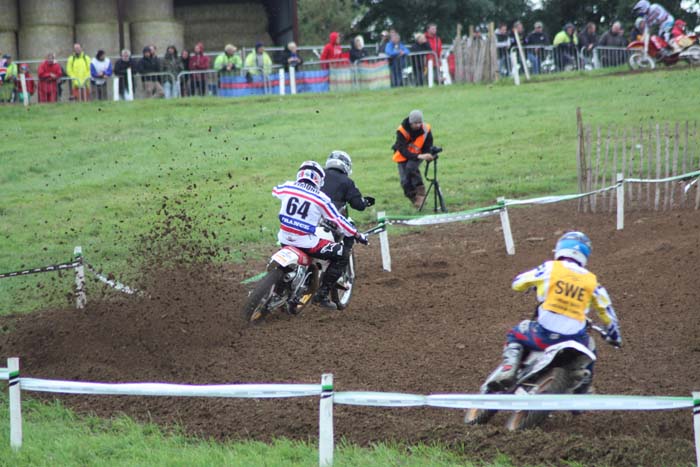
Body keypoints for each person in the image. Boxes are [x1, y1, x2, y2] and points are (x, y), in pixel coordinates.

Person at [482, 231, 622, 394]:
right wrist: (615, 337)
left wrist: (534, 285)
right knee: (590, 349)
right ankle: (583, 390)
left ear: (560, 249)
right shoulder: (592, 281)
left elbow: (518, 283)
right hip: (575, 340)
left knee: (516, 333)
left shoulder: (550, 268)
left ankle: (508, 368)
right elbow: (607, 313)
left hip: (544, 335)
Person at [272, 161, 368, 310]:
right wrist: (357, 234)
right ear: (318, 179)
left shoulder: (287, 187)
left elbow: (275, 191)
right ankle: (322, 295)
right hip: (306, 242)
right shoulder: (321, 198)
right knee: (342, 254)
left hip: (284, 238)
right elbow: (338, 219)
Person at [392, 110, 435, 208]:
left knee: (411, 167)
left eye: (420, 122)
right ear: (410, 122)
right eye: (415, 123)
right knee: (404, 181)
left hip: (419, 154)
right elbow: (402, 149)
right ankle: (414, 198)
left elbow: (428, 144)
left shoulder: (426, 129)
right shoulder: (401, 131)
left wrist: (427, 154)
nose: (418, 125)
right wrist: (418, 156)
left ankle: (420, 193)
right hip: (404, 155)